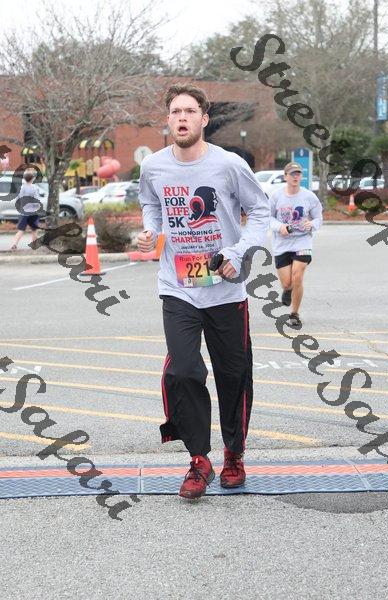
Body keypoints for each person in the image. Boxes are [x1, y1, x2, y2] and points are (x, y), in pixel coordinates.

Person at [138, 83, 269, 500]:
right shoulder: (154, 166)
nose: (182, 117)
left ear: (204, 119)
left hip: (225, 289)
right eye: (176, 111)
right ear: (168, 120)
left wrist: (238, 251)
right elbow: (151, 204)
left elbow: (261, 211)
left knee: (233, 376)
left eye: (190, 111)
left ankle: (234, 454)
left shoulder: (228, 165)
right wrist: (151, 230)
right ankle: (199, 459)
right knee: (182, 371)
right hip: (177, 286)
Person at [268, 162, 323, 328]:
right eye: (292, 174)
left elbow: (319, 218)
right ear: (285, 176)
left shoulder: (309, 196)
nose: (295, 176)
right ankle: (287, 290)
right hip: (282, 243)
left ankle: (294, 313)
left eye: (298, 173)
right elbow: (268, 217)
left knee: (297, 276)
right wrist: (280, 227)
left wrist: (312, 224)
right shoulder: (276, 196)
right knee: (287, 283)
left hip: (302, 241)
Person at [11, 171, 43, 250]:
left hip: (24, 212)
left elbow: (17, 200)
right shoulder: (35, 188)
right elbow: (37, 200)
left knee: (21, 230)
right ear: (32, 179)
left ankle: (14, 244)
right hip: (33, 212)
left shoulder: (21, 188)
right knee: (34, 230)